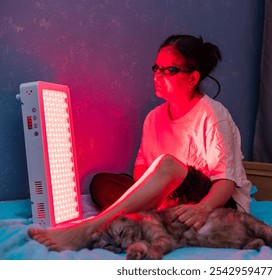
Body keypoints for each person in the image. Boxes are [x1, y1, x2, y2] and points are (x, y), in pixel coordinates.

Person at [28, 34, 252, 252]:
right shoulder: (154, 117)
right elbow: (142, 170)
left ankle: (89, 228)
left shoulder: (213, 115)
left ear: (193, 78)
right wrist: (154, 194)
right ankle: (148, 219)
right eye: (156, 68)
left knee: (167, 163)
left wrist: (203, 208)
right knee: (101, 183)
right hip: (168, 203)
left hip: (214, 203)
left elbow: (225, 182)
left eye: (170, 70)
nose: (158, 75)